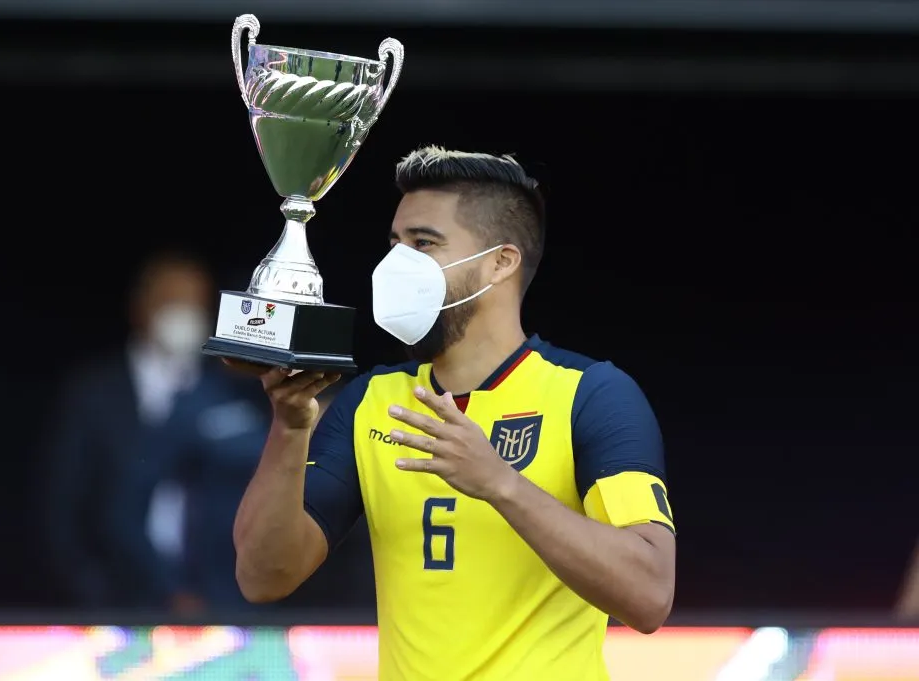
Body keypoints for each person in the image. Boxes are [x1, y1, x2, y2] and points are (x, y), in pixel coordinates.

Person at [231, 146, 676, 680]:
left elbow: (650, 594)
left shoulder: (591, 393)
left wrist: (499, 483)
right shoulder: (374, 399)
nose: (398, 263)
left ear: (501, 262)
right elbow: (263, 577)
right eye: (394, 243)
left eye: (423, 244)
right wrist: (289, 426)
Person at [42, 251, 270, 613]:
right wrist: (94, 597)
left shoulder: (233, 391)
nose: (183, 315)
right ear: (140, 306)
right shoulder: (93, 393)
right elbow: (65, 507)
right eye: (171, 302)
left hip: (223, 606)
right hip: (120, 605)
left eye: (194, 304)